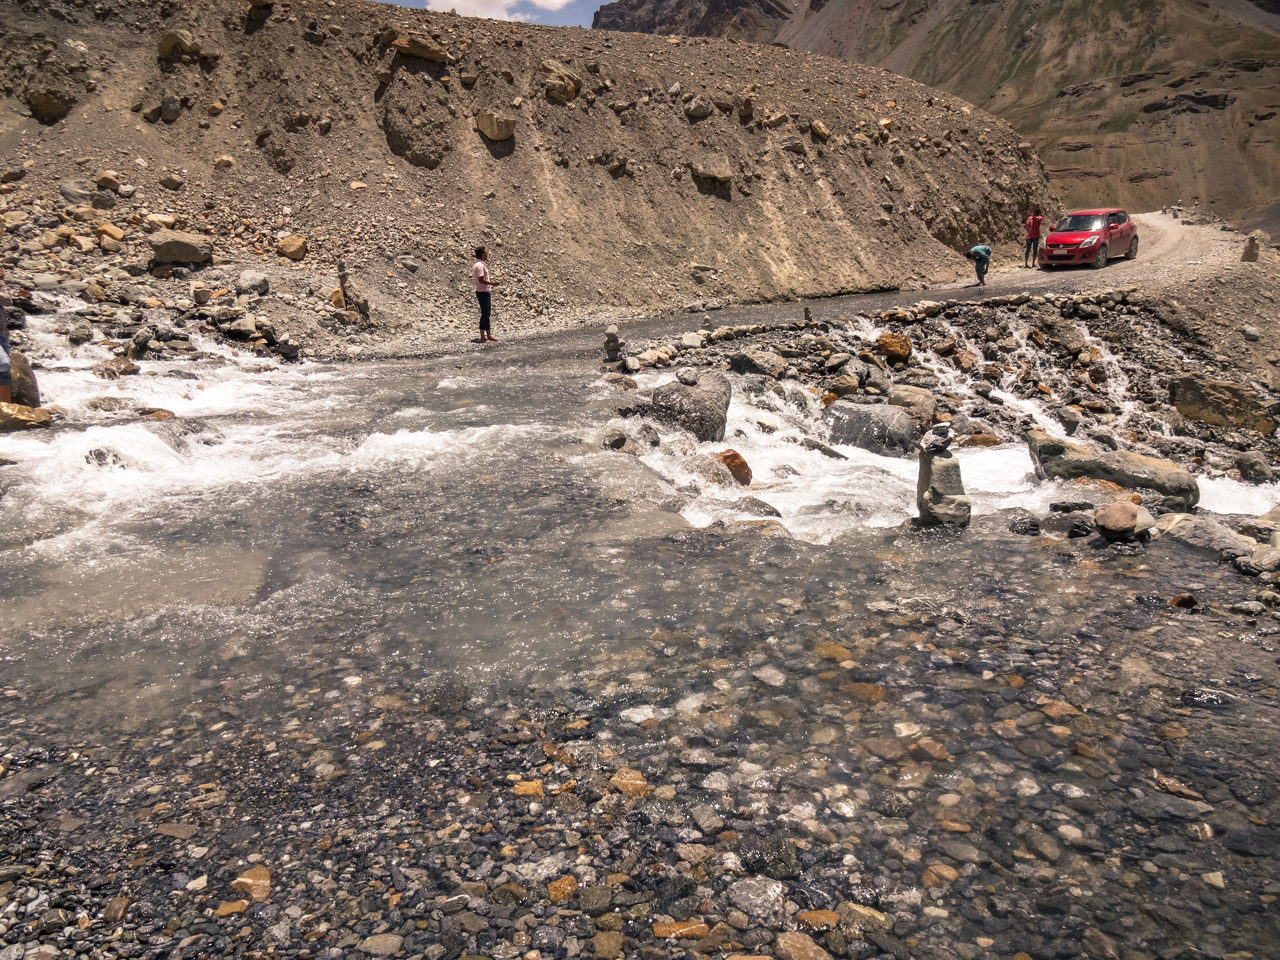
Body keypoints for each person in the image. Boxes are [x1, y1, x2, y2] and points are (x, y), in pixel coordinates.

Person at [472, 246, 499, 343]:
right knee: (484, 314)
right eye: (485, 253)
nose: (487, 255)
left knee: (487, 313)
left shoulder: (481, 264)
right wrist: (492, 283)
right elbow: (481, 279)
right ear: (482, 254)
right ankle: (483, 336)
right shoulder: (479, 265)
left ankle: (488, 334)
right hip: (482, 292)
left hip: (485, 291)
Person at [0, 266, 12, 404]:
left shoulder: (2, 285)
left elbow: (8, 301)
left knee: (4, 370)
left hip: (2, 334)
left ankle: (6, 408)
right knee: (3, 364)